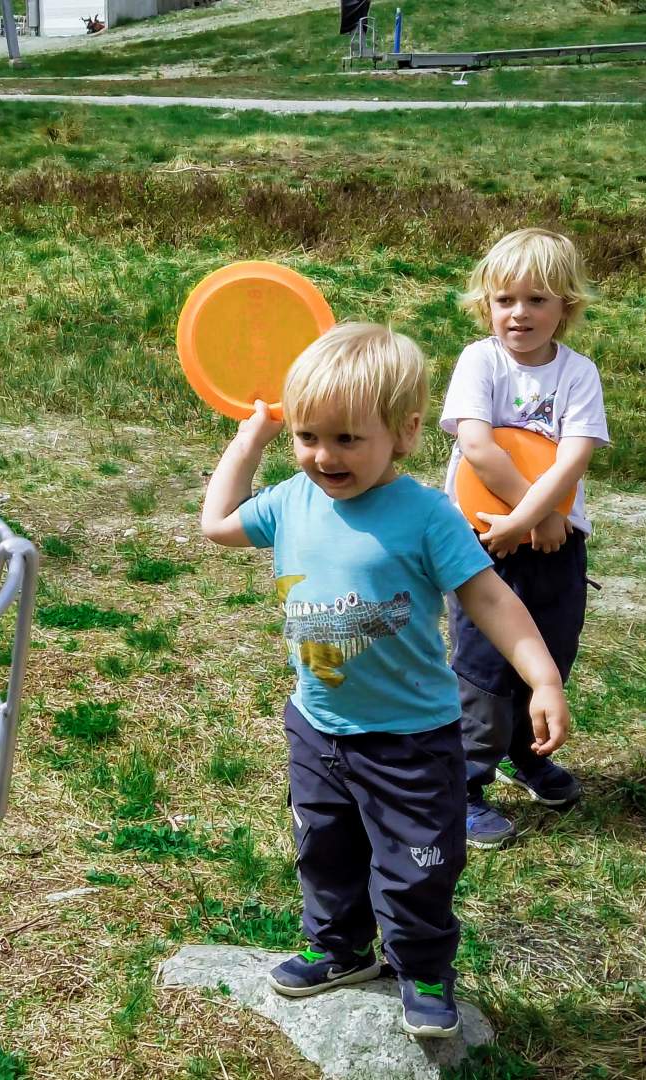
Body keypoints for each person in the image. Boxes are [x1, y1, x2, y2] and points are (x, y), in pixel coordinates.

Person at [199, 321, 573, 1038]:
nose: (324, 456)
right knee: (325, 850)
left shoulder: (427, 516)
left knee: (416, 866)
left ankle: (424, 967)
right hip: (318, 728)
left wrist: (544, 678)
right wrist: (251, 439)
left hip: (411, 741)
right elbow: (216, 522)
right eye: (308, 436)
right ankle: (339, 949)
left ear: (402, 433)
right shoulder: (289, 501)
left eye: (347, 439)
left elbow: (491, 599)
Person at [441, 227, 608, 848]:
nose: (520, 313)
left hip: (556, 542)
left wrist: (538, 521)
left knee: (550, 649)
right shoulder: (478, 362)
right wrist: (524, 516)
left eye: (538, 299)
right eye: (505, 298)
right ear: (485, 303)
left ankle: (527, 753)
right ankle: (463, 784)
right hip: (484, 541)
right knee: (484, 663)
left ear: (566, 306)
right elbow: (477, 446)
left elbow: (572, 459)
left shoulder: (578, 373)